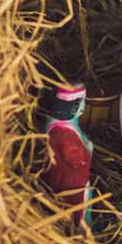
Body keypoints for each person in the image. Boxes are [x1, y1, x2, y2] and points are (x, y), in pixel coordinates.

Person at [42, 85, 93, 226]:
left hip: (59, 176)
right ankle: (80, 229)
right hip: (71, 183)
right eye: (82, 102)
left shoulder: (57, 125)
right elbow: (76, 160)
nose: (83, 107)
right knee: (77, 209)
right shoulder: (64, 134)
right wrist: (87, 149)